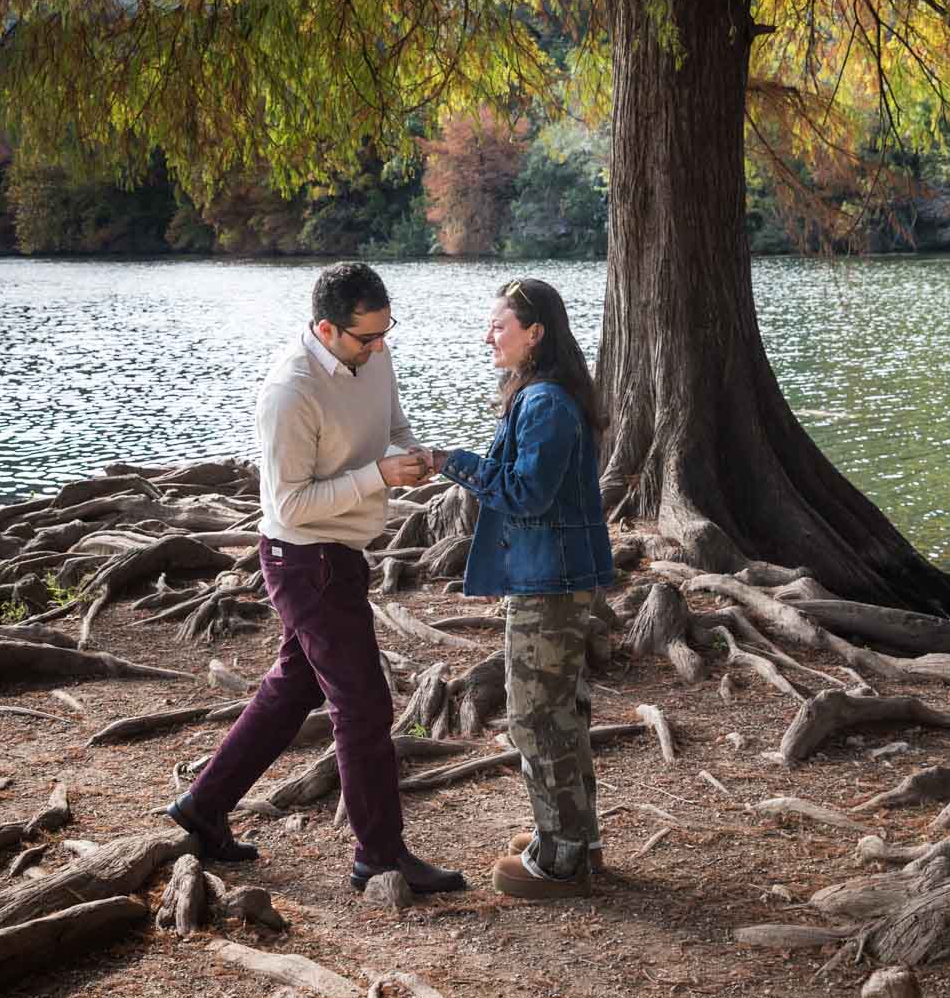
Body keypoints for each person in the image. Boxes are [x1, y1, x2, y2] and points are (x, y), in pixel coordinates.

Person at [166, 262, 467, 896]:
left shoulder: (373, 356)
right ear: (325, 328)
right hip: (305, 561)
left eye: (387, 332)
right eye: (366, 337)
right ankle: (380, 856)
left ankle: (202, 806)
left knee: (291, 689)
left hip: (344, 556)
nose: (380, 346)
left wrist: (410, 457)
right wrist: (377, 478)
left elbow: (393, 427)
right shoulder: (290, 392)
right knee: (363, 706)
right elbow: (288, 507)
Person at [429, 277, 614, 899]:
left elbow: (526, 495)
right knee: (560, 712)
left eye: (499, 326)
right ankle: (570, 840)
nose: (489, 336)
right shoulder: (546, 397)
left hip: (552, 582)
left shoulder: (546, 404)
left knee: (537, 718)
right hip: (554, 576)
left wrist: (452, 462)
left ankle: (560, 862)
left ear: (535, 334)